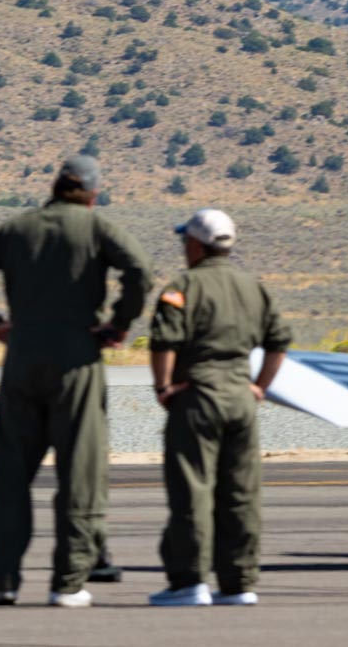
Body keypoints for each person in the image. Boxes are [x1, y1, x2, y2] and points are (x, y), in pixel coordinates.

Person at [0, 155, 154, 606]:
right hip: (77, 359)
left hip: (21, 358)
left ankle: (5, 582)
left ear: (56, 187)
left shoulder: (18, 228)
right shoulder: (96, 229)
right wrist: (118, 325)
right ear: (93, 194)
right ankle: (68, 582)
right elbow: (140, 272)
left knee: (12, 477)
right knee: (80, 474)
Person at [146, 208, 290, 607]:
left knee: (193, 489)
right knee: (241, 492)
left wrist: (163, 387)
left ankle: (189, 581)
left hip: (198, 395)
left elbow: (164, 343)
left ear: (195, 244)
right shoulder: (252, 287)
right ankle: (238, 582)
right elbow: (279, 342)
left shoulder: (183, 287)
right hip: (242, 398)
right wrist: (259, 388)